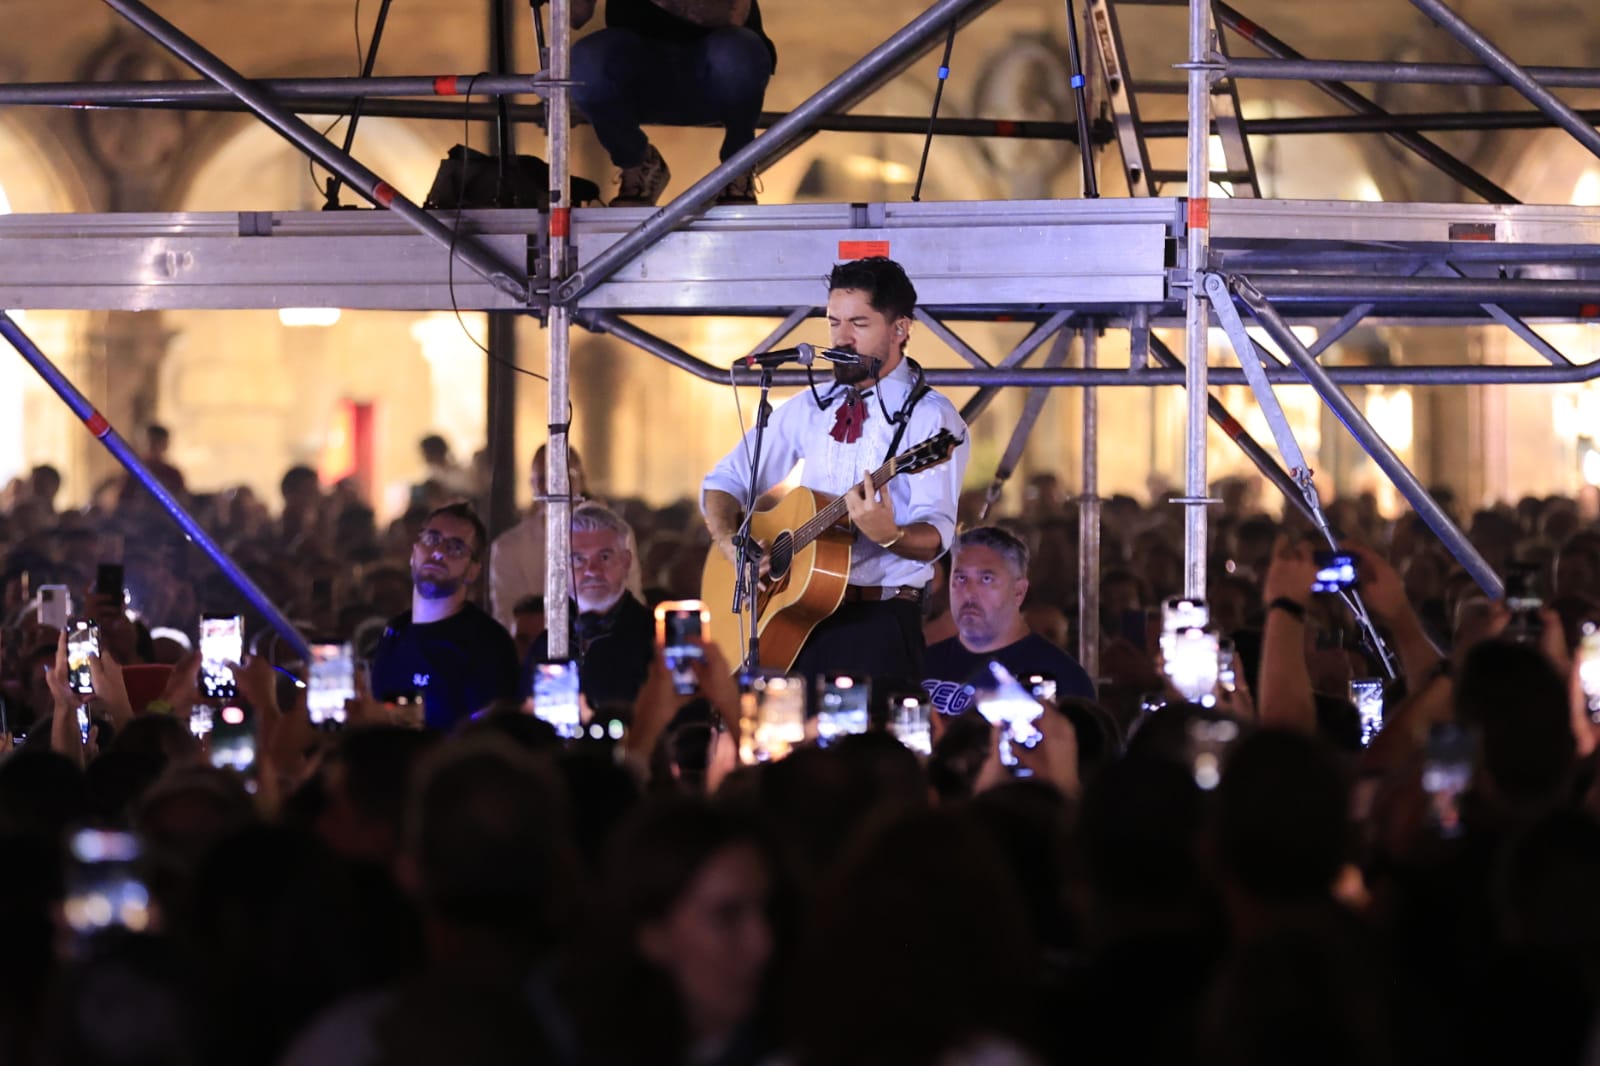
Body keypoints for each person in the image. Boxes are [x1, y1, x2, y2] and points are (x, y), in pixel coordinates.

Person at [701, 257, 969, 685]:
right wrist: (731, 543)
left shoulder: (930, 419)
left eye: (859, 324)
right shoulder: (809, 406)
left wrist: (892, 536)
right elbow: (724, 482)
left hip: (878, 620)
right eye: (833, 323)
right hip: (792, 614)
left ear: (900, 329)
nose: (841, 338)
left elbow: (937, 532)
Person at [568, 0, 777, 206]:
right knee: (586, 63)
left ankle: (739, 166)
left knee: (736, 52)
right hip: (639, 71)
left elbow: (734, 14)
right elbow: (576, 16)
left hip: (714, 74)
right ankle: (638, 162)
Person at [368, 503, 520, 731]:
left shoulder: (487, 644)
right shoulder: (395, 632)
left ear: (472, 571)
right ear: (414, 552)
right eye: (432, 539)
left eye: (456, 548)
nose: (438, 552)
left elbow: (487, 736)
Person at [921, 526, 1095, 715]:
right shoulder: (924, 665)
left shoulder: (1061, 676)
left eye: (986, 579)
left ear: (1018, 591)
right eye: (961, 578)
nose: (969, 593)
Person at [522, 502, 654, 710]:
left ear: (626, 562)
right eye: (578, 559)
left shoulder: (656, 640)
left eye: (604, 557)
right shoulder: (546, 644)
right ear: (562, 567)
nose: (592, 570)